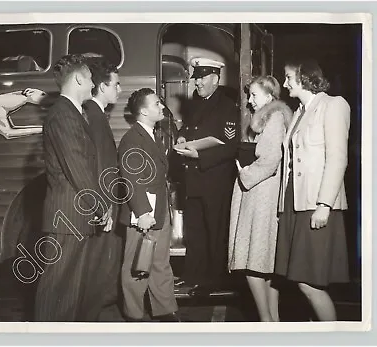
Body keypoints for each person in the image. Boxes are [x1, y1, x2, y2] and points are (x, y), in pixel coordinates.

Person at [34, 54, 113, 321]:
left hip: (74, 216)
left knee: (68, 295)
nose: (93, 85)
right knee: (58, 292)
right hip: (67, 217)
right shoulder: (64, 115)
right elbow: (78, 167)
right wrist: (102, 207)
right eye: (90, 78)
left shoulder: (70, 113)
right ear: (79, 78)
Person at [274, 59, 350, 321]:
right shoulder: (298, 112)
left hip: (316, 204)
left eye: (287, 78)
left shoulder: (333, 105)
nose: (284, 84)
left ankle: (334, 336)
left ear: (304, 77)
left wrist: (324, 205)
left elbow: (338, 158)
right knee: (300, 281)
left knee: (310, 282)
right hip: (294, 203)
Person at [173, 57, 240, 296]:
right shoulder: (195, 103)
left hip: (214, 180)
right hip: (194, 180)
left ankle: (214, 280)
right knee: (195, 231)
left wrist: (199, 157)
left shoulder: (227, 106)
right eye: (196, 78)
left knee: (215, 231)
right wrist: (181, 137)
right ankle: (194, 276)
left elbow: (230, 147)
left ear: (215, 78)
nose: (197, 83)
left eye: (202, 78)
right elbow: (187, 128)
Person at [228, 76, 293, 321]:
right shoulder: (271, 118)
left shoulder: (273, 118)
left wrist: (245, 173)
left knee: (252, 261)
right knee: (263, 262)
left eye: (254, 95)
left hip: (260, 195)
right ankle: (272, 321)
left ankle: (267, 321)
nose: (250, 100)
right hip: (261, 194)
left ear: (269, 96)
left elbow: (269, 160)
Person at [118, 88, 179, 322]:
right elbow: (130, 179)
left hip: (158, 212)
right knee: (137, 266)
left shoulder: (152, 135)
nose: (162, 107)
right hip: (144, 214)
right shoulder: (132, 139)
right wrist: (142, 212)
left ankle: (165, 310)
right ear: (143, 111)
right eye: (157, 104)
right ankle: (133, 315)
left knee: (160, 263)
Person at [81, 57, 124, 321]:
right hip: (103, 202)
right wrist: (104, 205)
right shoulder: (94, 116)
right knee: (99, 265)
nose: (119, 90)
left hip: (104, 201)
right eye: (116, 85)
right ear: (101, 86)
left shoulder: (96, 114)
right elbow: (97, 165)